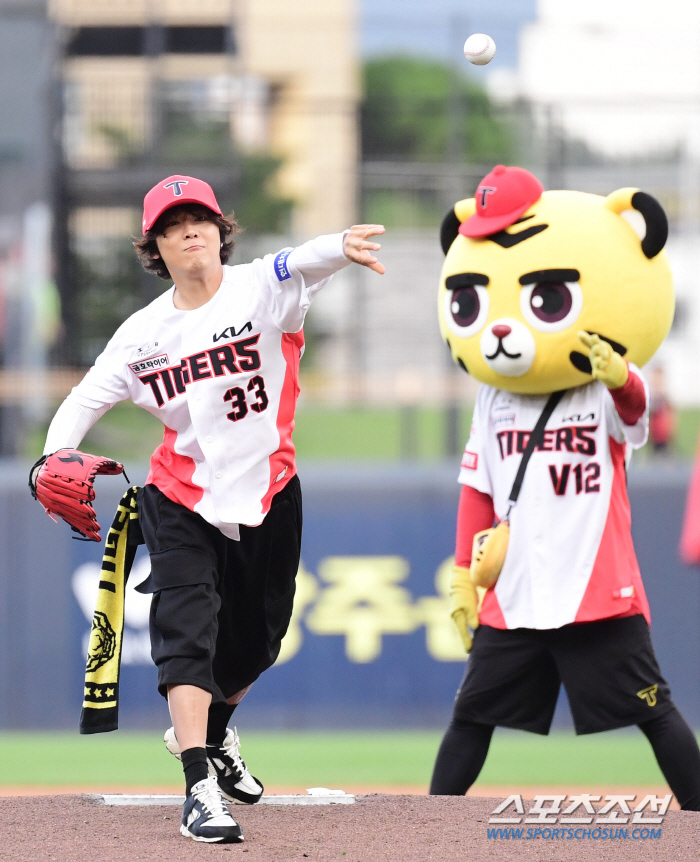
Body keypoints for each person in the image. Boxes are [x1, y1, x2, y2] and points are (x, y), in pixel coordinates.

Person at [35, 175, 385, 844]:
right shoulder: (143, 335)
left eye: (199, 217)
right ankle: (198, 784)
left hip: (271, 488)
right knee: (187, 631)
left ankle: (216, 740)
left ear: (220, 231)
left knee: (258, 641)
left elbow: (302, 259)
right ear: (156, 247)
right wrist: (49, 456)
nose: (188, 229)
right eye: (172, 223)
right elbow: (84, 399)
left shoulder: (261, 287)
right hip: (179, 496)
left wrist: (340, 245)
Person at [429, 164, 700, 808]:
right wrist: (466, 575)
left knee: (654, 710)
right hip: (517, 588)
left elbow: (635, 420)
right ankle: (427, 832)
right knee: (471, 716)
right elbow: (479, 489)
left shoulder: (596, 388)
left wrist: (622, 376)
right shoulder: (492, 398)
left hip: (595, 586)